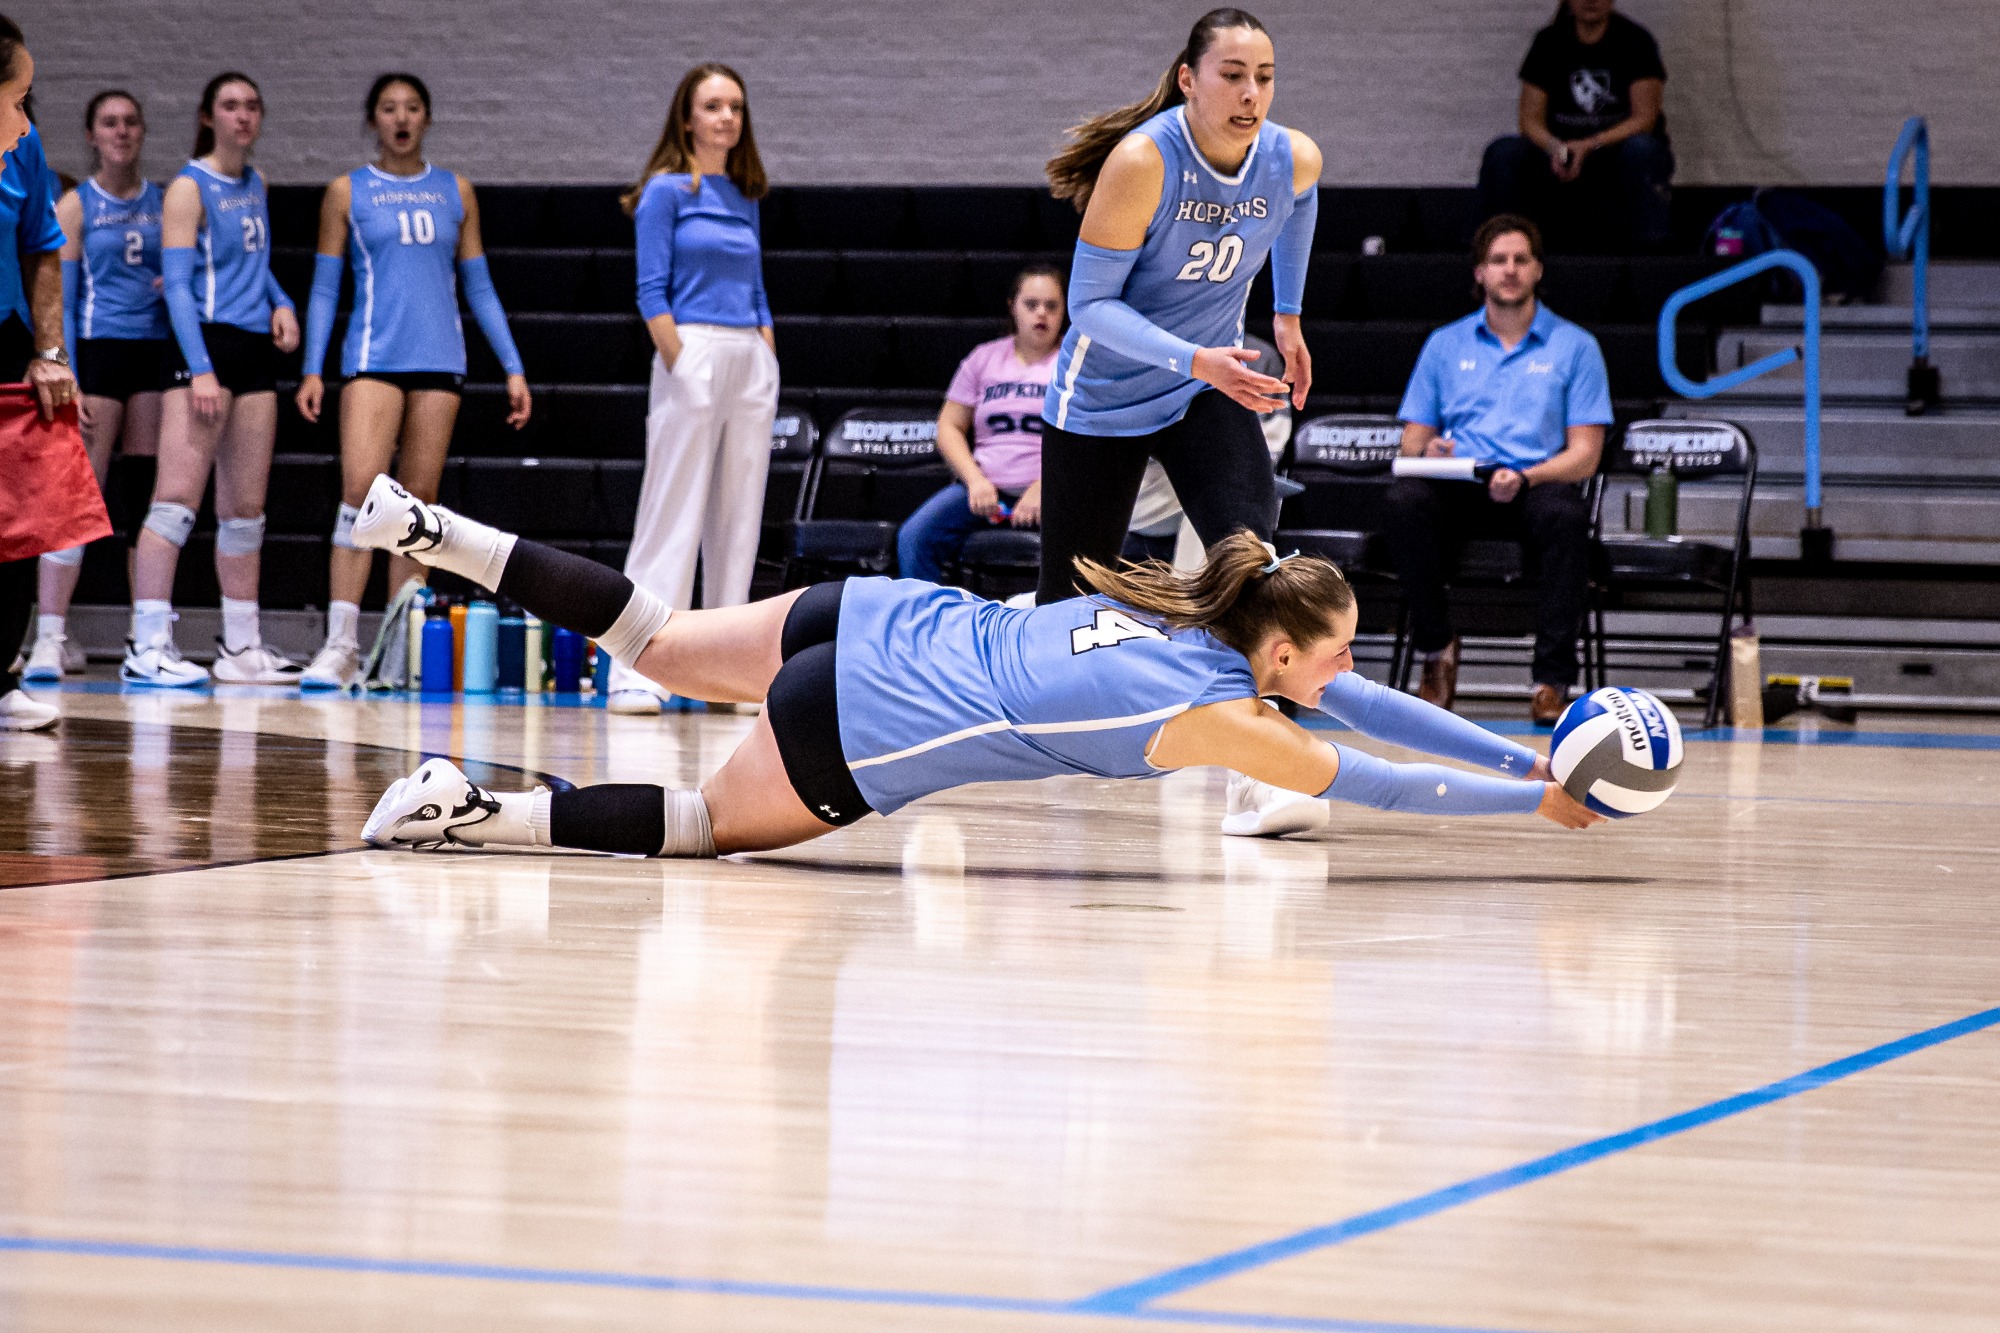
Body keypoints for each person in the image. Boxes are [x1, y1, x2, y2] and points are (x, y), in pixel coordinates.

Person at [349, 472, 1600, 857]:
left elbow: (1362, 700)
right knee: (695, 824)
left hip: (887, 614)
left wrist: (1516, 746)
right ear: (1277, 656)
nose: (1335, 681)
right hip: (876, 715)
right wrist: (1533, 800)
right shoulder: (1226, 716)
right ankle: (464, 815)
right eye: (1320, 665)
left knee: (661, 638)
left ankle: (430, 530)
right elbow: (1369, 778)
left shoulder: (1203, 610)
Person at [1035, 7, 1320, 606]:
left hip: (1202, 391)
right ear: (1189, 80)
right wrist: (1197, 360)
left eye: (1265, 78)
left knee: (1254, 574)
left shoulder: (1290, 155)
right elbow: (1089, 306)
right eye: (1233, 75)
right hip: (1104, 396)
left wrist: (1287, 317)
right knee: (1069, 606)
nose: (1251, 94)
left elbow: (1300, 201)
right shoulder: (1144, 162)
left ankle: (1245, 700)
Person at [294, 73, 531, 690]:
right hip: (373, 359)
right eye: (389, 108)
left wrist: (513, 366)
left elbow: (478, 285)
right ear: (373, 119)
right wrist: (312, 368)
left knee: (416, 513)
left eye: (413, 107)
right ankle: (341, 645)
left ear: (427, 117)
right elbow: (324, 287)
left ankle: (397, 652)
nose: (401, 118)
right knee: (359, 497)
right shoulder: (347, 190)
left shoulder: (457, 190)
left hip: (440, 362)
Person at [1385, 214, 1609, 727]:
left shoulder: (1575, 346)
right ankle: (1437, 649)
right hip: (1463, 480)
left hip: (1537, 481)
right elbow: (1413, 441)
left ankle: (1550, 682)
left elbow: (1586, 454)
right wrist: (1431, 454)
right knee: (1403, 501)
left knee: (1568, 519)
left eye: (1520, 260)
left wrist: (1528, 477)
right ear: (1480, 273)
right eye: (1497, 260)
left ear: (1537, 271)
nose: (1509, 270)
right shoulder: (1444, 344)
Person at [608, 62, 778, 716]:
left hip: (748, 357)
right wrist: (681, 360)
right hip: (692, 348)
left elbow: (758, 285)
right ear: (687, 118)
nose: (727, 117)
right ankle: (636, 666)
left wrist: (766, 350)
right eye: (713, 106)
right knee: (670, 513)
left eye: (735, 106)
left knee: (739, 519)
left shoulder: (745, 193)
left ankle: (728, 674)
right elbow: (651, 289)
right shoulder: (664, 191)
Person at [125, 72, 301, 687]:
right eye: (230, 106)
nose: (243, 116)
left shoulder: (256, 184)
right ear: (208, 116)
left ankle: (241, 649)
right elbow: (176, 285)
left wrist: (282, 302)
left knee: (245, 510)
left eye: (252, 105)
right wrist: (199, 367)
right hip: (204, 347)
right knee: (174, 503)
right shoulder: (187, 188)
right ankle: (146, 645)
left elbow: (256, 264)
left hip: (254, 349)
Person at [24, 91, 167, 682]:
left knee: (138, 500)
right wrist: (71, 374)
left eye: (131, 121)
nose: (122, 131)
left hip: (153, 358)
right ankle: (49, 637)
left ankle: (145, 639)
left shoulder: (163, 202)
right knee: (77, 498)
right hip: (98, 357)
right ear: (91, 134)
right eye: (109, 121)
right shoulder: (77, 205)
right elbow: (64, 292)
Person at [0, 13, 82, 731]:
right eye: (15, 93)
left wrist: (49, 354)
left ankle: (1, 675)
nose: (25, 111)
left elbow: (44, 251)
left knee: (18, 522)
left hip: (5, 341)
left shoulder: (24, 150)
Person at [896, 263, 1062, 583]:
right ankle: (927, 627)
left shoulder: (1073, 362)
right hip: (985, 489)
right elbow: (949, 426)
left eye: (1051, 306)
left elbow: (1088, 440)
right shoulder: (983, 358)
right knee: (914, 537)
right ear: (1012, 306)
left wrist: (1046, 488)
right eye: (1031, 304)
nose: (1041, 314)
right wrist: (974, 480)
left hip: (1054, 493)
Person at [1476, 0, 1671, 250]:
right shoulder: (1549, 41)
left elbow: (1645, 118)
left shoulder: (1636, 41)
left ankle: (1652, 251)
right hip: (1559, 158)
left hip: (1614, 154)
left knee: (1643, 150)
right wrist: (1556, 147)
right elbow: (1529, 119)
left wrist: (1589, 145)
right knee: (1504, 151)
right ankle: (1489, 252)